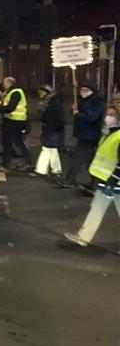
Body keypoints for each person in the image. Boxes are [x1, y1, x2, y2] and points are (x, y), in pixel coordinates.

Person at [64, 105, 120, 247]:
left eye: (112, 114)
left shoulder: (117, 136)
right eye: (108, 114)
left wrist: (112, 182)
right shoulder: (109, 134)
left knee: (98, 208)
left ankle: (83, 237)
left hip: (115, 184)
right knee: (96, 208)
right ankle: (83, 237)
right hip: (105, 181)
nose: (108, 117)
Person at [58, 81, 105, 190]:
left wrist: (77, 113)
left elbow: (92, 117)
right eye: (82, 89)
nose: (83, 92)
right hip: (83, 134)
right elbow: (76, 113)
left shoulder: (96, 102)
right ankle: (95, 183)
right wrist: (74, 110)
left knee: (78, 158)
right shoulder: (81, 100)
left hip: (90, 135)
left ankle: (69, 180)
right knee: (90, 160)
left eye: (86, 90)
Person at [0, 76, 32, 173]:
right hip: (15, 121)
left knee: (8, 144)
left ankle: (6, 165)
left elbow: (10, 107)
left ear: (9, 83)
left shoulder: (15, 92)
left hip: (14, 121)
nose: (3, 85)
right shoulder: (13, 92)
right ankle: (27, 162)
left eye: (4, 83)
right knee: (18, 142)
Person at [34, 84, 65, 179]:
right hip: (48, 128)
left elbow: (59, 116)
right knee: (48, 148)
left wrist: (56, 127)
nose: (40, 94)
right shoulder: (48, 102)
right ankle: (43, 169)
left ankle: (52, 169)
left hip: (52, 129)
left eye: (42, 92)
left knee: (50, 148)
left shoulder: (53, 102)